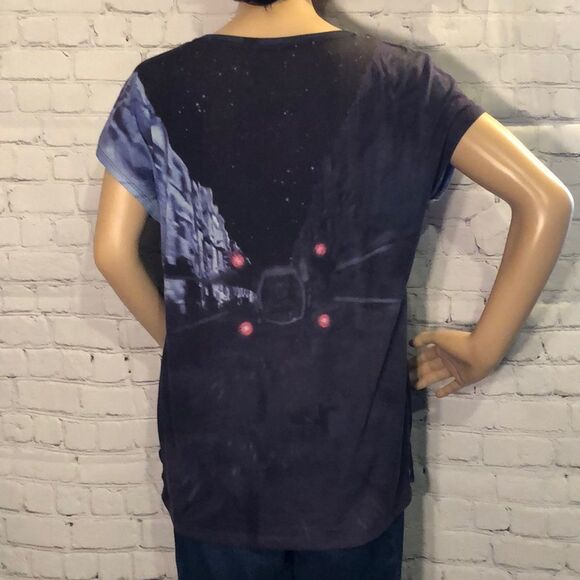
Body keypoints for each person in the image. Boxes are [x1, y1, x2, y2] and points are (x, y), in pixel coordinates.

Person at [93, 0, 574, 578]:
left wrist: (190, 345)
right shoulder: (403, 82)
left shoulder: (157, 85)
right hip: (353, 464)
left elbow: (112, 253)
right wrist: (482, 349)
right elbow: (546, 201)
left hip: (213, 461)